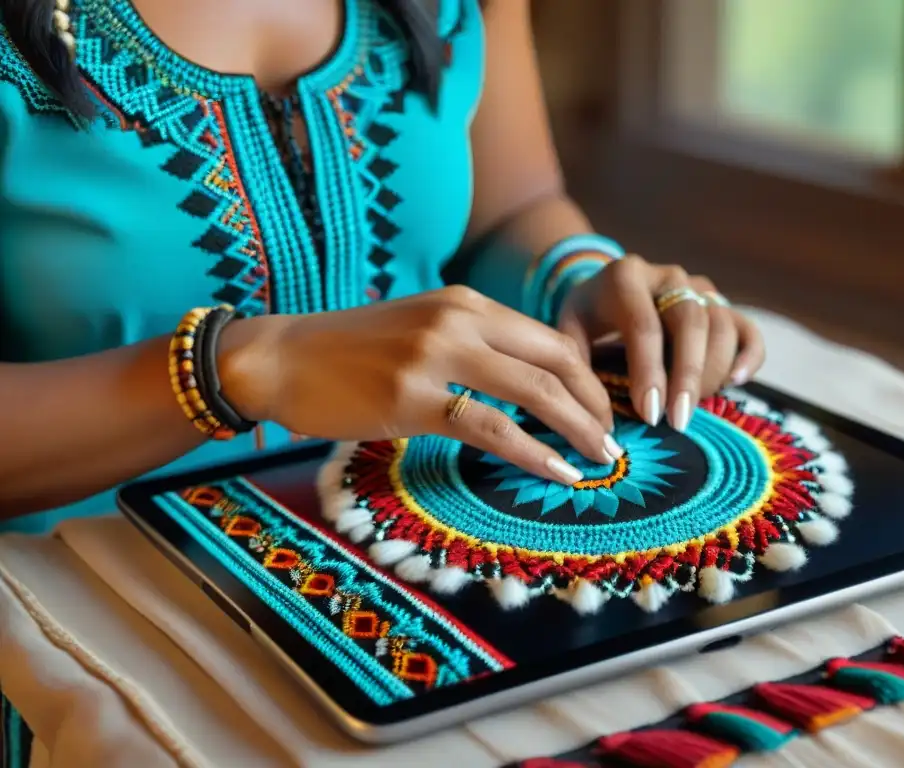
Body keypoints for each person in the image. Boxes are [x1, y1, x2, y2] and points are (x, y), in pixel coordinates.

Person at [0, 0, 765, 532]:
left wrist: (585, 281)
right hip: (95, 605)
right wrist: (247, 368)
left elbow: (510, 209)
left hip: (430, 545)